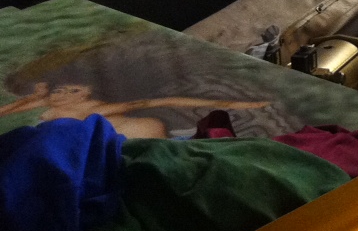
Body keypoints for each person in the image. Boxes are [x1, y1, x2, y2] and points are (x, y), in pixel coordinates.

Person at [0, 80, 267, 139]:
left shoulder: (104, 106)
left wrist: (237, 104)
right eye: (59, 90)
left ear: (87, 92)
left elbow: (166, 101)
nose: (64, 94)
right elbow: (5, 111)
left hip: (164, 141)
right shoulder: (48, 107)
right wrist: (33, 97)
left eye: (74, 89)